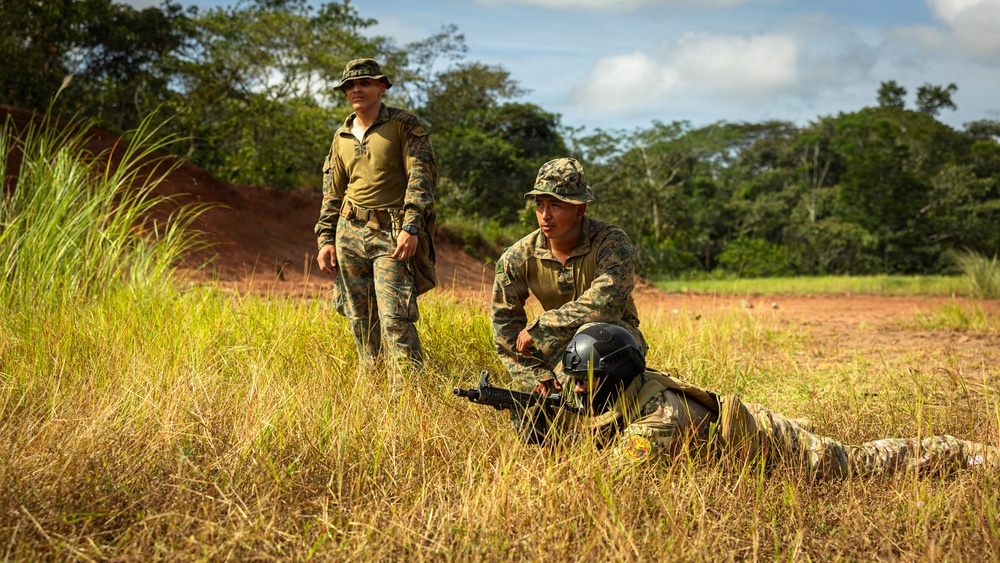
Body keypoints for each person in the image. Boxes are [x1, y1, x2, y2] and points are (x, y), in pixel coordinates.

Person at [521, 323, 1000, 478]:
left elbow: (604, 477)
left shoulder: (660, 419)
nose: (577, 390)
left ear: (614, 377)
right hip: (736, 428)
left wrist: (551, 443)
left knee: (857, 464)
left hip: (768, 446)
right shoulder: (626, 388)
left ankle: (959, 450)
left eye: (585, 382)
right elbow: (601, 427)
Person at [315, 58, 437, 368]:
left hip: (392, 235)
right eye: (349, 86)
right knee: (359, 319)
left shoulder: (404, 124)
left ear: (381, 88)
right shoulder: (341, 136)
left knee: (395, 317)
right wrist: (325, 239)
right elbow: (332, 193)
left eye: (364, 83)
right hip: (348, 234)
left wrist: (412, 227)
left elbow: (421, 178)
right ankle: (371, 382)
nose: (356, 89)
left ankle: (407, 389)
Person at [492, 157, 645, 396]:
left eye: (555, 205)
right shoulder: (518, 257)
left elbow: (606, 305)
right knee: (537, 405)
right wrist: (536, 375)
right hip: (557, 341)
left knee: (587, 360)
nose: (545, 215)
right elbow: (504, 326)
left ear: (579, 209)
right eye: (539, 204)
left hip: (614, 338)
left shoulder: (612, 242)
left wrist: (542, 326)